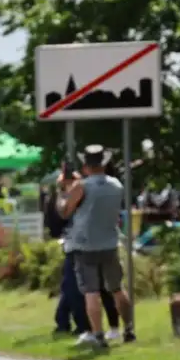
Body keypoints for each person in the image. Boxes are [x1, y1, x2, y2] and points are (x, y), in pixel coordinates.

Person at [57, 145, 135, 347]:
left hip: (85, 245)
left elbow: (65, 211)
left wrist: (64, 190)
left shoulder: (81, 186)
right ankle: (128, 329)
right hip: (109, 242)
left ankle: (98, 334)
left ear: (85, 165)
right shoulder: (116, 185)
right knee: (117, 288)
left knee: (91, 292)